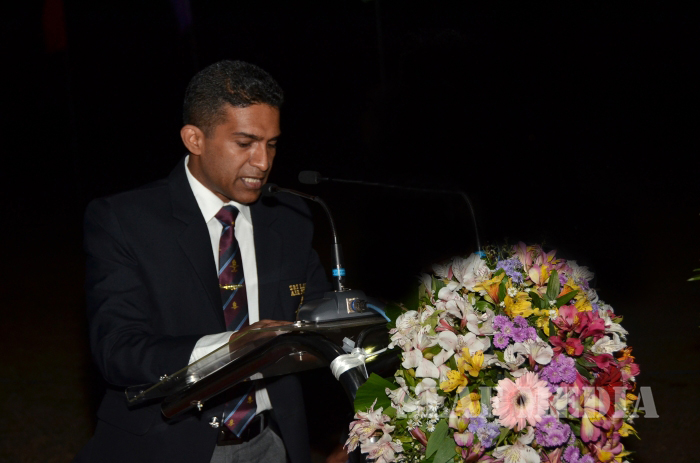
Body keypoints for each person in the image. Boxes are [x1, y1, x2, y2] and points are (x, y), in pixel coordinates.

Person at [75, 60, 330, 463]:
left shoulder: (290, 217)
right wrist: (232, 348)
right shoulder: (125, 221)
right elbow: (117, 350)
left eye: (271, 144)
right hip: (169, 446)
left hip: (274, 441)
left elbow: (318, 318)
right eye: (245, 143)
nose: (263, 162)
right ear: (194, 139)